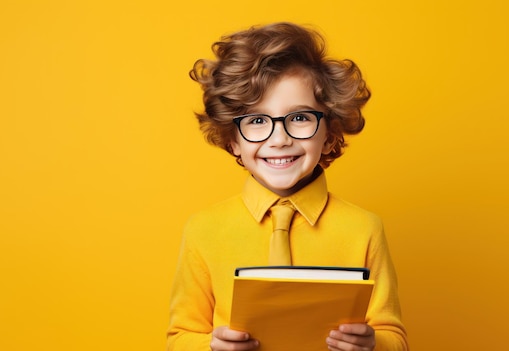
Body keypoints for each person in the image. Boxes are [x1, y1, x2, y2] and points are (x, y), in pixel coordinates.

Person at [167, 22, 408, 351]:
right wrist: (210, 347)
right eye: (256, 120)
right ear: (232, 139)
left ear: (329, 132)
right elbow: (179, 337)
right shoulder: (203, 230)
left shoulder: (364, 229)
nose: (279, 139)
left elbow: (394, 336)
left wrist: (373, 343)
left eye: (299, 118)